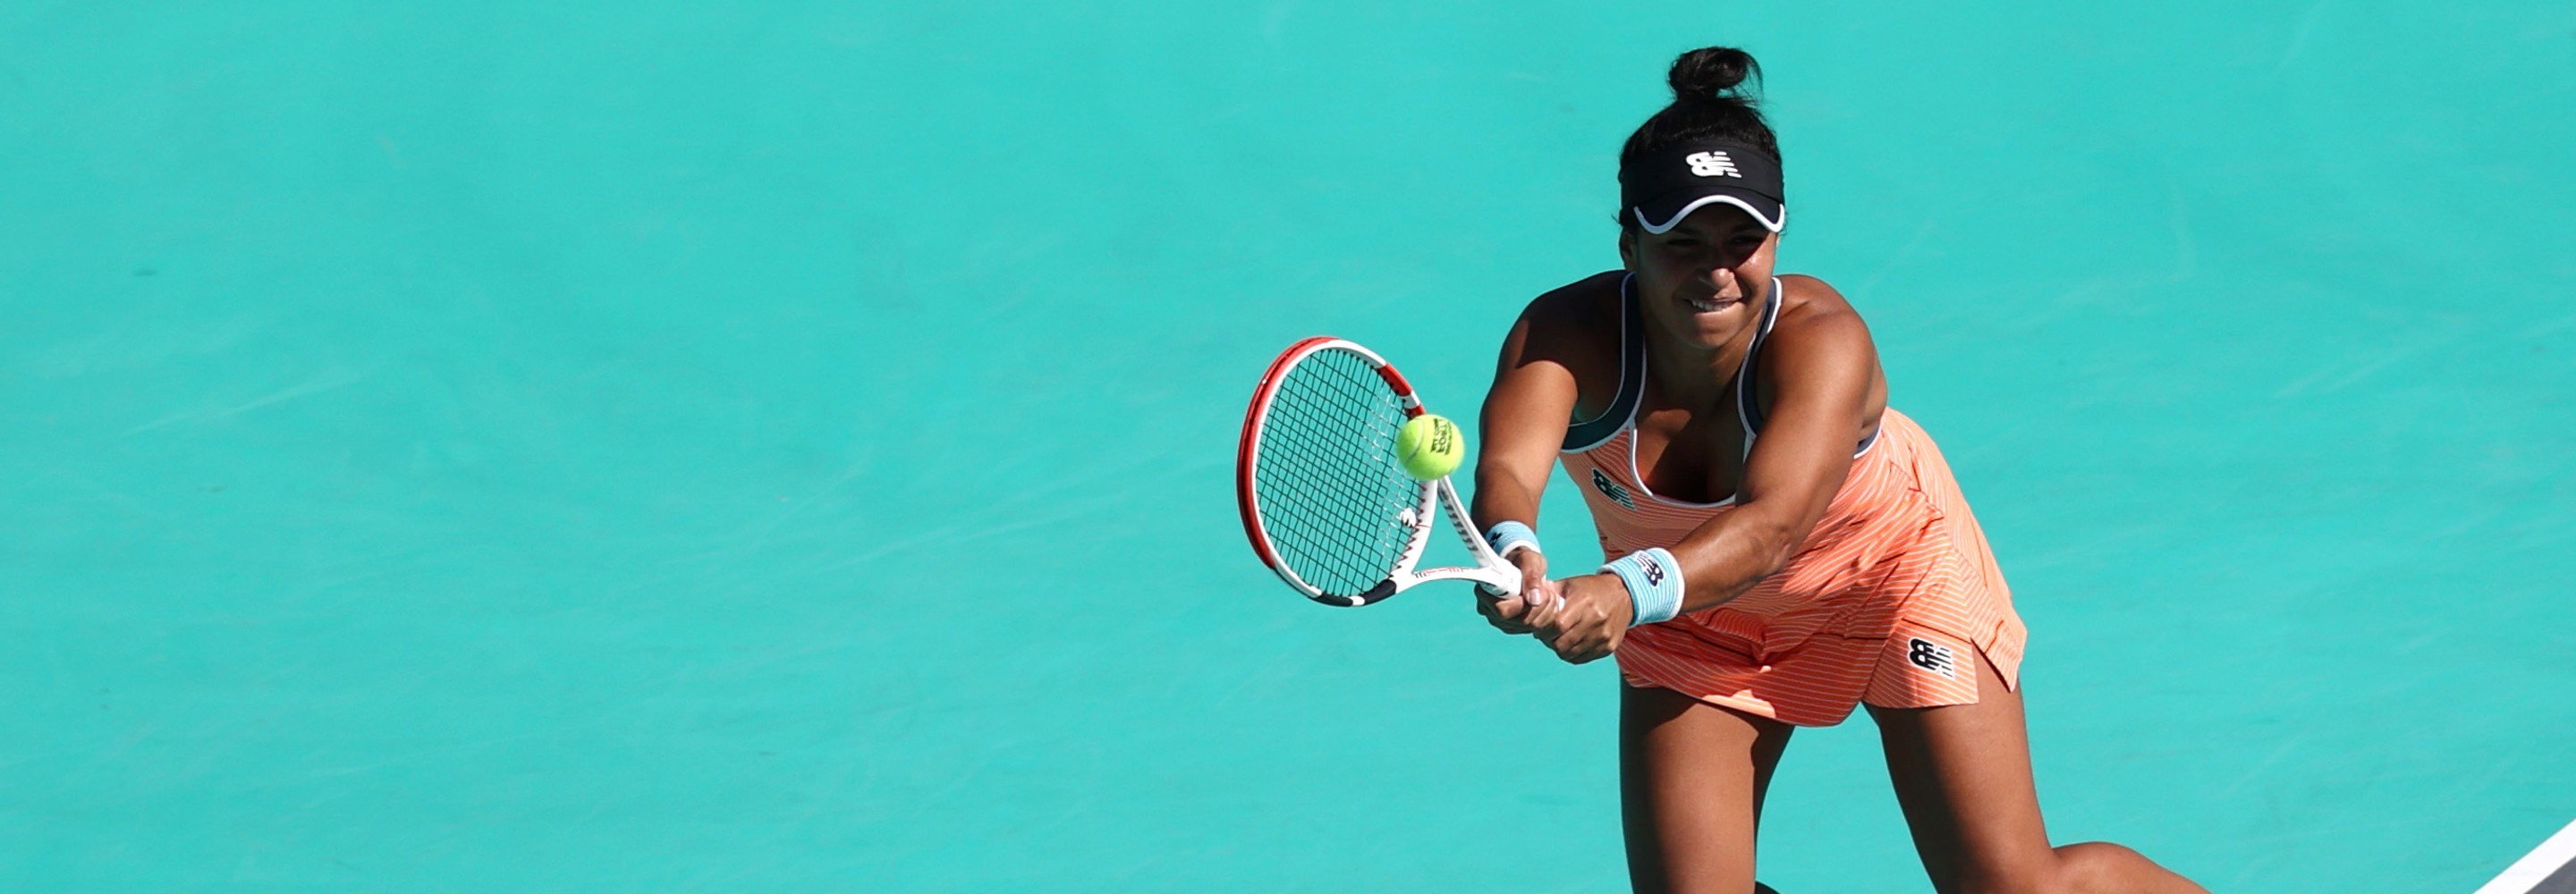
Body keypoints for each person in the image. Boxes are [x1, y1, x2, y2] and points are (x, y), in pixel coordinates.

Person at [1468, 46, 2207, 894]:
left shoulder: (1823, 339)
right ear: (1631, 240)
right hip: (1699, 617)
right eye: (1684, 242)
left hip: (1889, 582)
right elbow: (1508, 471)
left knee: (2010, 887)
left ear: (1776, 237)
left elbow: (1772, 524)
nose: (1717, 271)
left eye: (1744, 241)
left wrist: (1624, 593)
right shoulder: (1566, 332)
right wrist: (1514, 545)